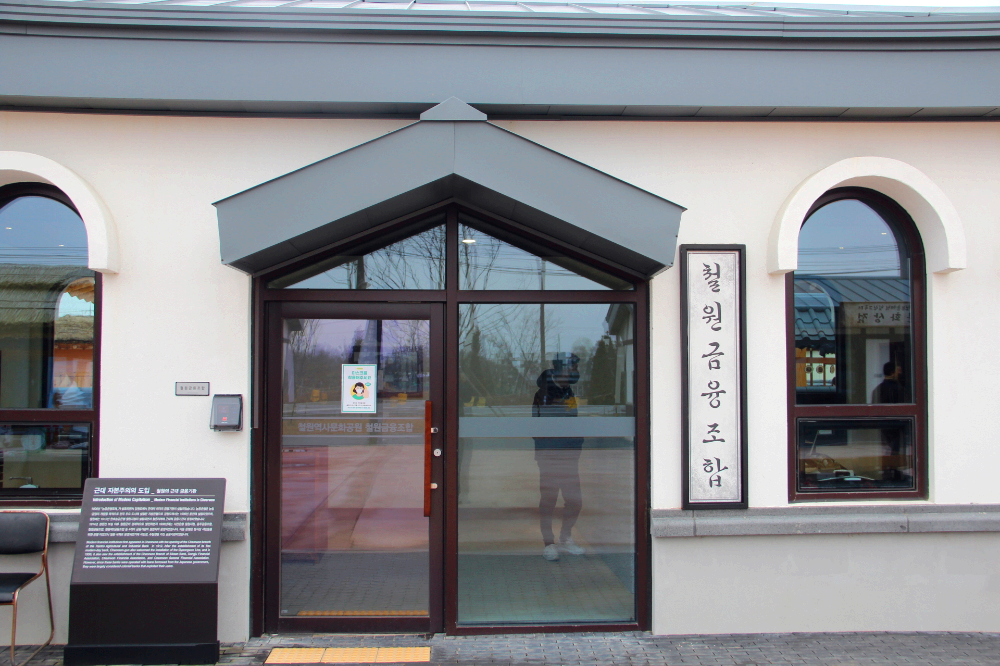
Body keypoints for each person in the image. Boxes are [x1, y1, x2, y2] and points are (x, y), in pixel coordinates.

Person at [532, 353, 586, 562]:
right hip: (550, 456)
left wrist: (576, 444)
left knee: (575, 500)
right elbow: (540, 427)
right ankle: (549, 544)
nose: (576, 372)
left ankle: (565, 538)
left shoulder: (568, 391)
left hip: (569, 456)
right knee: (549, 501)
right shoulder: (544, 393)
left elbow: (573, 421)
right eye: (573, 368)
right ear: (561, 369)